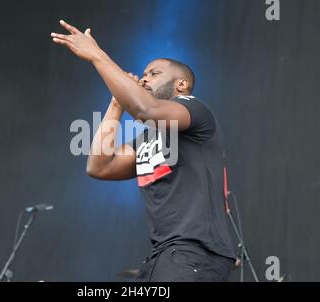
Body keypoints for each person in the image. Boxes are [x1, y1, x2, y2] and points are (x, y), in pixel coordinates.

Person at [51, 20, 237, 282]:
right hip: (164, 254)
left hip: (195, 250)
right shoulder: (149, 137)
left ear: (181, 85)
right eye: (144, 73)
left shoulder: (194, 109)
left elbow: (146, 110)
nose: (145, 78)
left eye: (154, 73)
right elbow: (98, 167)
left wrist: (97, 55)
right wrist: (116, 104)